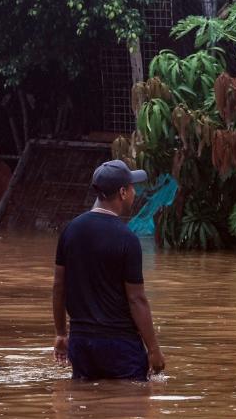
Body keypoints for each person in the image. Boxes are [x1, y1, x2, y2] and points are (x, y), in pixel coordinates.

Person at [52, 159, 166, 381]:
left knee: (85, 406)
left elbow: (59, 287)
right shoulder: (127, 239)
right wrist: (153, 350)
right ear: (123, 192)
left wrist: (60, 334)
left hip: (81, 343)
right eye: (132, 187)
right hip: (120, 344)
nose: (134, 191)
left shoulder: (70, 231)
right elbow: (137, 299)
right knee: (130, 408)